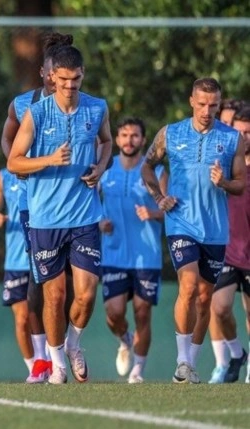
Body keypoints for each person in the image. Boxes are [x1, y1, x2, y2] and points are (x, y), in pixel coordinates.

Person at [8, 45, 113, 384]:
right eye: (64, 79)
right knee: (54, 297)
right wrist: (49, 160)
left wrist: (100, 166)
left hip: (84, 216)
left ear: (83, 75)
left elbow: (107, 142)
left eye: (76, 79)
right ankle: (57, 365)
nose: (70, 86)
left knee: (86, 293)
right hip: (45, 219)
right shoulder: (36, 113)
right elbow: (14, 162)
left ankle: (73, 344)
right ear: (52, 77)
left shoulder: (97, 108)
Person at [141, 77, 246, 384]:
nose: (206, 111)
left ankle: (191, 364)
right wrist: (159, 198)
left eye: (213, 105)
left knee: (203, 298)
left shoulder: (232, 138)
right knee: (188, 285)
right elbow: (147, 166)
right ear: (191, 101)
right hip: (181, 223)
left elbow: (240, 183)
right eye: (201, 104)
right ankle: (182, 361)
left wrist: (224, 182)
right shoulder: (170, 133)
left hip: (215, 229)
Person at [0, 32, 75, 383]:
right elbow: (7, 139)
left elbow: (98, 142)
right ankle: (43, 360)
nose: (53, 78)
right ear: (44, 71)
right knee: (40, 280)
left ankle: (68, 345)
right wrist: (18, 166)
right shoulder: (23, 104)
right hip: (34, 205)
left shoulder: (81, 104)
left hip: (72, 204)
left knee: (72, 285)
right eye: (49, 71)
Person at [99, 117, 166, 384]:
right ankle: (125, 340)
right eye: (125, 135)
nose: (129, 140)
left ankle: (137, 371)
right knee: (114, 313)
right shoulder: (105, 168)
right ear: (117, 139)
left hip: (146, 255)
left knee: (142, 311)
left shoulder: (155, 171)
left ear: (144, 140)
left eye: (135, 135)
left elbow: (170, 208)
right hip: (113, 254)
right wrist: (99, 222)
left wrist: (153, 212)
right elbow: (88, 203)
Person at [207, 105, 250, 384]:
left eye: (248, 131)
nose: (244, 136)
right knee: (220, 308)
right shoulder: (223, 162)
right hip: (227, 250)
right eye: (239, 130)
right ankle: (236, 353)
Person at [0, 166, 33, 379]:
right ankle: (34, 368)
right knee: (22, 319)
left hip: (43, 256)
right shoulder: (2, 177)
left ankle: (52, 361)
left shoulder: (44, 166)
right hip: (16, 262)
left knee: (47, 313)